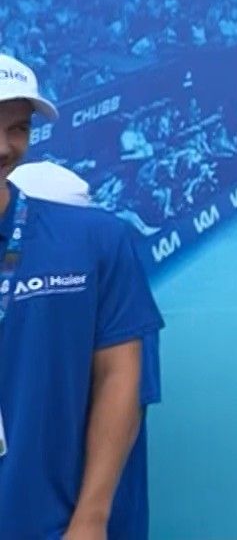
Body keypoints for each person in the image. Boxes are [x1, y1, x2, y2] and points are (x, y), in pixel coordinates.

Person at [0, 53, 165, 540]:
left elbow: (121, 378)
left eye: (18, 128)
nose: (5, 147)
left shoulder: (96, 240)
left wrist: (90, 520)